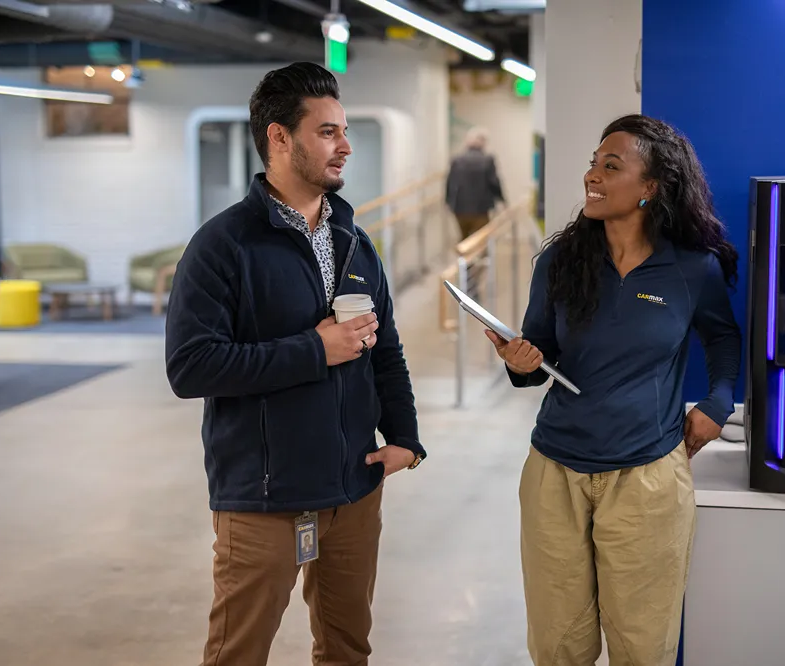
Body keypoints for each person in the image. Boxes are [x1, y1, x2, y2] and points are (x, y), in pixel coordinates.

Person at [165, 62, 427, 666]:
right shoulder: (222, 245)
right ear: (280, 138)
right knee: (238, 654)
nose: (345, 145)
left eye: (344, 130)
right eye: (328, 131)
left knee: (346, 650)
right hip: (264, 498)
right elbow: (191, 367)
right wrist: (316, 349)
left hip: (353, 490)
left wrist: (407, 438)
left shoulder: (355, 240)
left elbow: (385, 350)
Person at [486, 114, 741, 666]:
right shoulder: (559, 262)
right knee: (558, 647)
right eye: (593, 163)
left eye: (611, 166)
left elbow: (723, 340)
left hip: (647, 477)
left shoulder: (692, 269)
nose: (591, 176)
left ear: (651, 187)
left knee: (643, 648)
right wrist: (521, 361)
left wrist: (717, 405)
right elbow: (537, 357)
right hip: (555, 474)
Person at [445, 126, 506, 240]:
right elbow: (494, 182)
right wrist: (502, 199)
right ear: (483, 142)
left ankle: (463, 258)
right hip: (481, 209)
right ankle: (481, 258)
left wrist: (448, 201)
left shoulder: (457, 160)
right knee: (480, 241)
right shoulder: (487, 160)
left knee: (464, 240)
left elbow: (450, 182)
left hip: (460, 208)